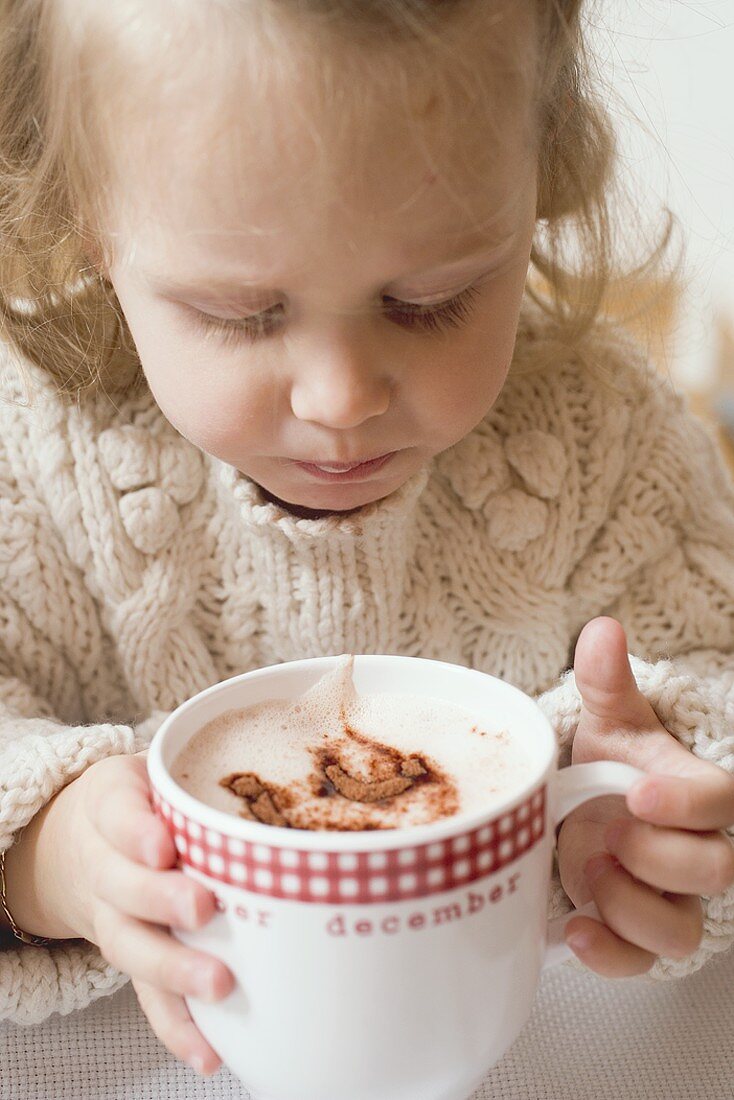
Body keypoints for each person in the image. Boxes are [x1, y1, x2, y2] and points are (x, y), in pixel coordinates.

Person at [1, 0, 733, 1079]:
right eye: (243, 311)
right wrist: (45, 855)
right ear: (86, 222)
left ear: (537, 182)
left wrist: (663, 802)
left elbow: (713, 678)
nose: (341, 398)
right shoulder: (29, 455)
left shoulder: (604, 440)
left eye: (429, 300)